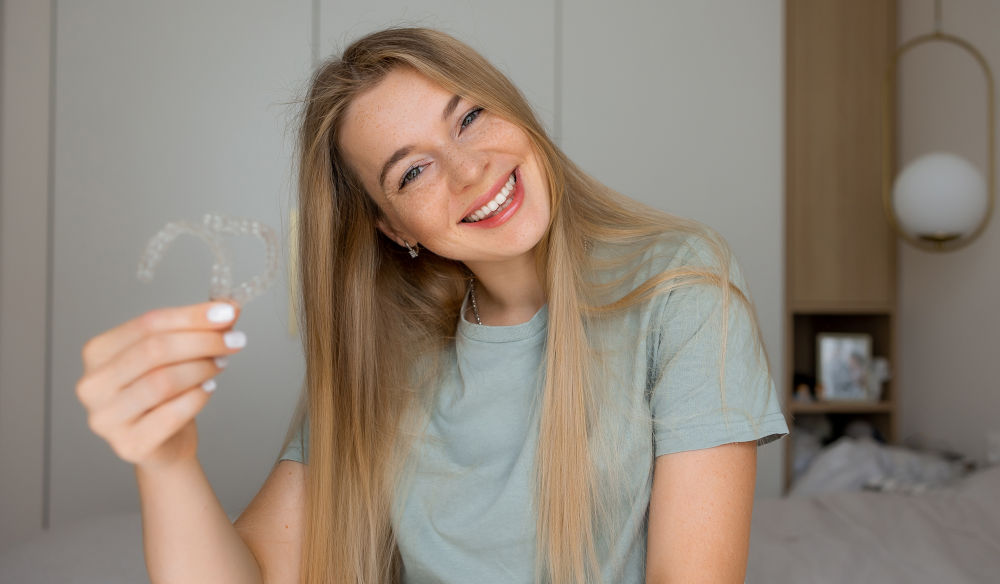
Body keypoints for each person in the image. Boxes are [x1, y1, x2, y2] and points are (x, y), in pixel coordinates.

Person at [76, 27, 788, 584]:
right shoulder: (389, 354)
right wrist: (167, 462)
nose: (470, 168)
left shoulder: (681, 284)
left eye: (471, 117)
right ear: (394, 228)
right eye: (413, 170)